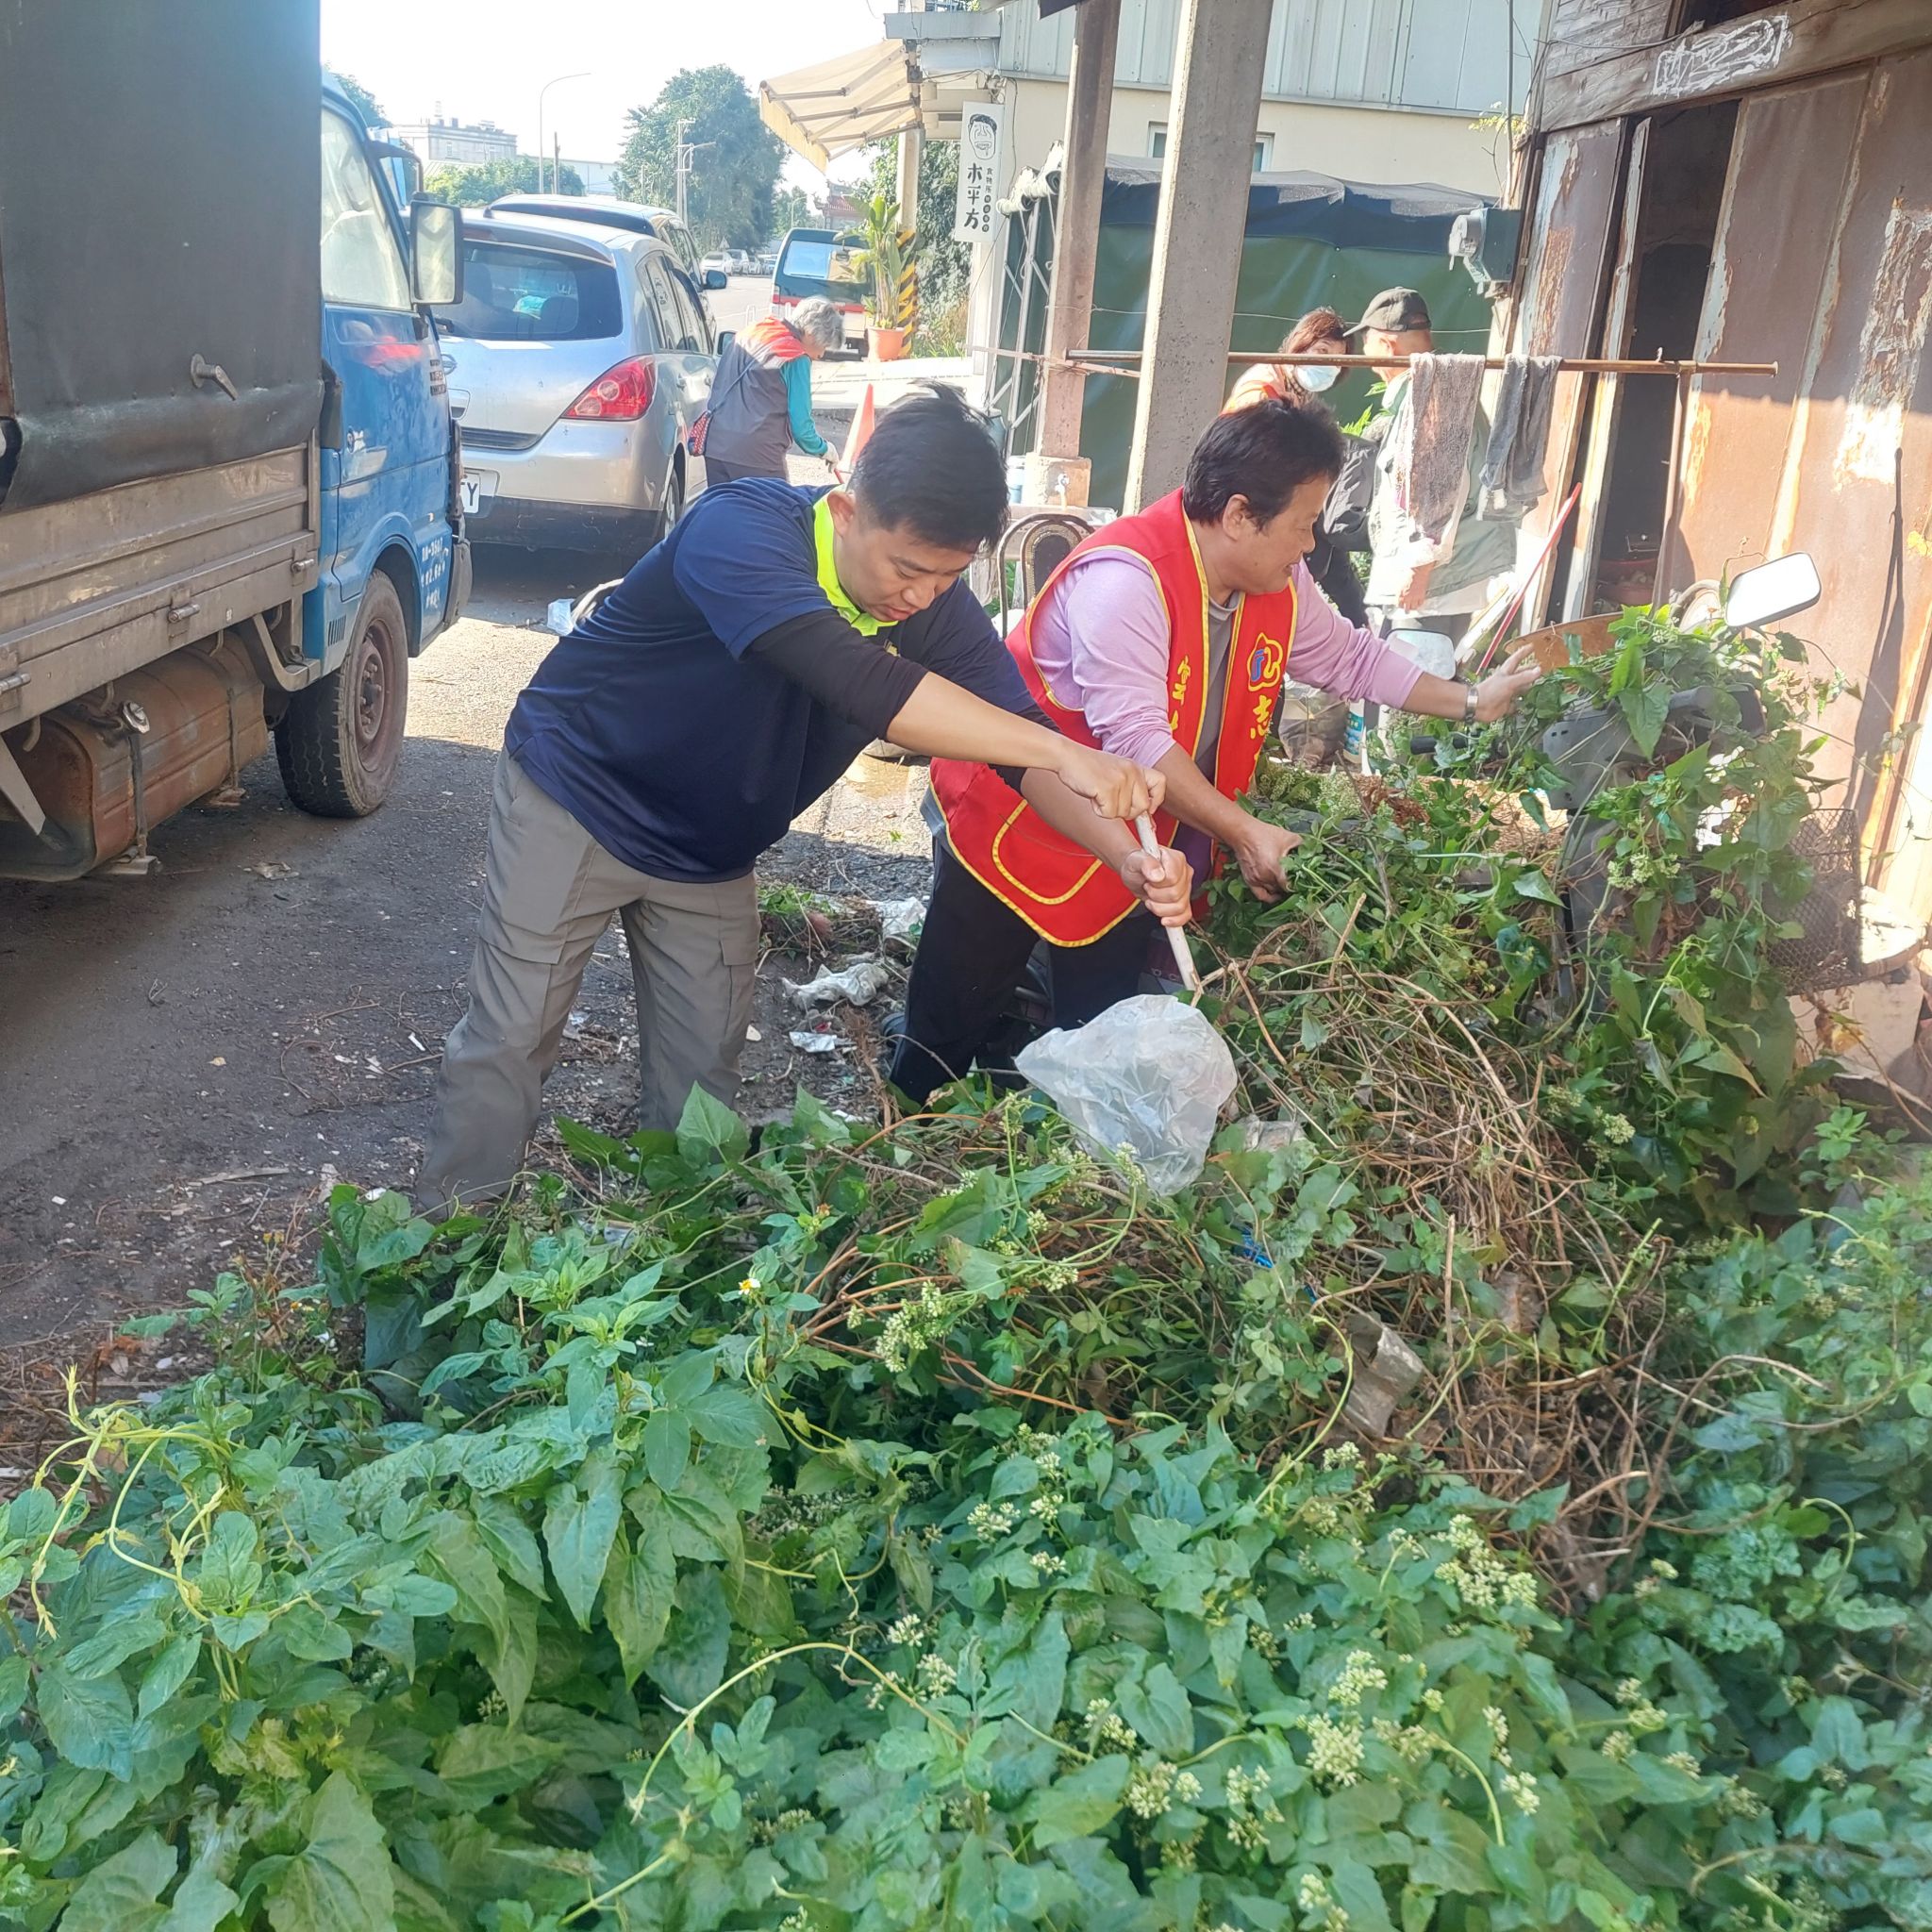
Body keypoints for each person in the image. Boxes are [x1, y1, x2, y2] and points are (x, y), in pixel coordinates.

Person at [417, 388, 1190, 1209]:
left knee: (703, 1077)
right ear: (850, 510)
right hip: (580, 796)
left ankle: (679, 1251)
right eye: (908, 570)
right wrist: (1060, 746)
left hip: (709, 849)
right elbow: (860, 680)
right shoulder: (740, 531)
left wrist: (1130, 858)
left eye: (947, 577)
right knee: (511, 1037)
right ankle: (449, 1243)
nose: (921, 598)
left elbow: (1025, 755)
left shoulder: (931, 605)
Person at [887, 402, 1541, 1104]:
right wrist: (1243, 830)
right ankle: (899, 1138)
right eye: (1302, 523)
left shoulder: (1276, 583)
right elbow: (1138, 740)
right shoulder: (1126, 581)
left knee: (1100, 1046)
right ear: (1237, 515)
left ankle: (1069, 1173)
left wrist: (1472, 700)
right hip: (1019, 829)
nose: (1311, 543)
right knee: (945, 1032)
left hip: (1133, 852)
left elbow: (1350, 658)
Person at [1350, 287, 1513, 639]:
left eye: (1366, 341)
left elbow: (1443, 486)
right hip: (1436, 583)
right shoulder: (1431, 387)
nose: (1364, 353)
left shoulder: (1435, 391)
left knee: (1416, 688)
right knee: (1421, 682)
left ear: (1385, 344)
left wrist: (1418, 570)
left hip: (1433, 588)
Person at [1223, 306, 1369, 627]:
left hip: (1282, 502)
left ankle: (1363, 636)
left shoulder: (1297, 392)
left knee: (1334, 562)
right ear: (1300, 344)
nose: (1328, 365)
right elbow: (1256, 463)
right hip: (1256, 507)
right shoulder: (1261, 392)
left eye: (1337, 360)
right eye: (1321, 352)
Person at [696, 297, 842, 485]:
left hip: (716, 446)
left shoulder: (752, 331)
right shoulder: (795, 356)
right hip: (757, 456)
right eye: (823, 346)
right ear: (811, 334)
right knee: (772, 512)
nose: (821, 354)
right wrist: (823, 449)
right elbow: (801, 426)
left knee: (721, 511)